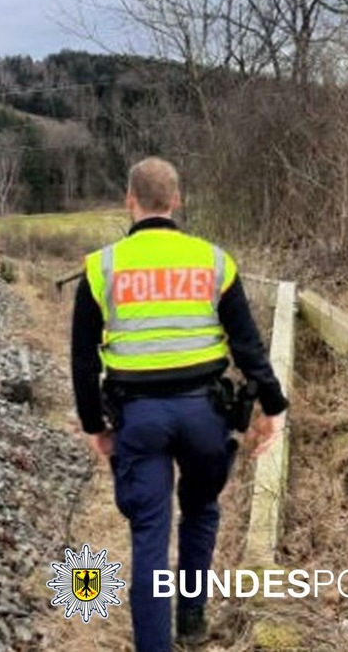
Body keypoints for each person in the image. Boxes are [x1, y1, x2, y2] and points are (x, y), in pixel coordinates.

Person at [70, 157, 288, 651]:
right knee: (201, 509)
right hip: (204, 415)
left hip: (138, 416)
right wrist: (273, 407)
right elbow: (248, 347)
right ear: (176, 201)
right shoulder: (214, 262)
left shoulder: (101, 268)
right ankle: (191, 618)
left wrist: (93, 424)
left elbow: (82, 360)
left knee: (150, 534)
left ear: (130, 201)